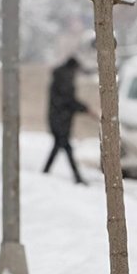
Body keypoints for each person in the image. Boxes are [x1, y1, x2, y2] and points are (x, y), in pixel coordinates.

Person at [42, 56, 91, 184]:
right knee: (66, 147)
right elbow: (68, 100)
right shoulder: (64, 79)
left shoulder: (61, 77)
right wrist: (85, 109)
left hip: (59, 119)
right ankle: (77, 177)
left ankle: (46, 172)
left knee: (59, 146)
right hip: (60, 120)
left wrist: (83, 108)